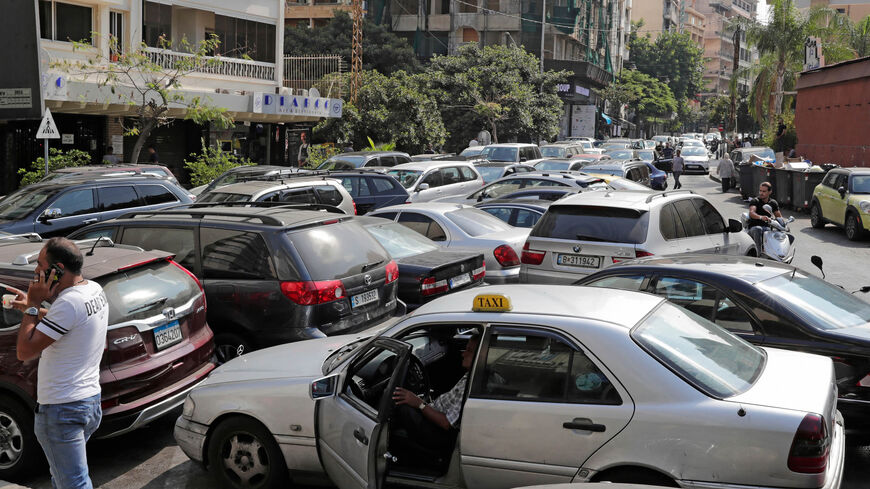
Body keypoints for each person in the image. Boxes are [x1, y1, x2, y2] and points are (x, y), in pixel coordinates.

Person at [10, 237, 108, 489]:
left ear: (58, 270)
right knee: (63, 476)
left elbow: (24, 351)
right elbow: (70, 321)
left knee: (72, 483)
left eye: (40, 265)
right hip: (88, 403)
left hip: (62, 409)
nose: (35, 271)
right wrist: (32, 311)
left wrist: (33, 304)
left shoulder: (68, 302)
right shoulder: (94, 290)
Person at [391, 334, 479, 465]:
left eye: (469, 351)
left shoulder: (472, 385)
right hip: (434, 414)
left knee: (400, 407)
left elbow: (446, 423)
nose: (463, 354)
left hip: (439, 433)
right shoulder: (471, 374)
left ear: (480, 356)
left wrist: (419, 404)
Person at [747, 182, 783, 253]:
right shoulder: (755, 201)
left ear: (770, 192)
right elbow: (751, 213)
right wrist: (760, 217)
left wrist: (784, 224)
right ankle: (758, 254)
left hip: (767, 229)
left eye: (764, 191)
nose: (761, 193)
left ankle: (779, 254)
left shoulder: (773, 203)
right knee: (758, 229)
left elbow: (779, 217)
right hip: (754, 228)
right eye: (760, 191)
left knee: (774, 233)